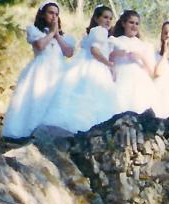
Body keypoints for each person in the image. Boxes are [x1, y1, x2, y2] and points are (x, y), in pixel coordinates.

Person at [1, 2, 74, 139]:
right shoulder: (34, 31)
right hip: (40, 70)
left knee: (54, 101)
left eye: (56, 14)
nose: (54, 17)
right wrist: (52, 32)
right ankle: (27, 132)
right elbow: (40, 45)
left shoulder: (63, 37)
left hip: (58, 71)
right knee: (36, 100)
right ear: (42, 14)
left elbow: (69, 52)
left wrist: (57, 35)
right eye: (50, 13)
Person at [42, 5, 116, 134]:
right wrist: (109, 64)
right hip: (95, 67)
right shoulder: (100, 31)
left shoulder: (93, 32)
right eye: (105, 17)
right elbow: (94, 50)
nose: (108, 21)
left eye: (110, 18)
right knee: (92, 96)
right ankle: (85, 127)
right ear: (97, 19)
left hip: (84, 66)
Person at [109, 10, 157, 116]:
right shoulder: (114, 41)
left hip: (140, 85)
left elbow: (151, 72)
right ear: (123, 23)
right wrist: (114, 54)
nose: (134, 26)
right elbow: (106, 63)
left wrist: (142, 57)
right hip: (120, 80)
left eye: (137, 23)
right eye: (131, 22)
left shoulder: (145, 45)